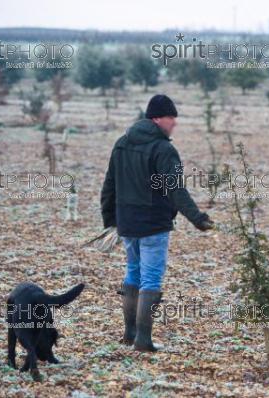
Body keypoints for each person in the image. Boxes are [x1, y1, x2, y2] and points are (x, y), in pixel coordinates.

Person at [100, 94, 214, 352]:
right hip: (153, 225)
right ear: (156, 119)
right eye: (170, 118)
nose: (174, 123)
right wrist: (198, 218)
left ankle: (129, 334)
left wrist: (111, 221)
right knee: (150, 279)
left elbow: (109, 185)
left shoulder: (122, 143)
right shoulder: (163, 149)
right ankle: (143, 340)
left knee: (133, 273)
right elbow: (176, 190)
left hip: (127, 223)